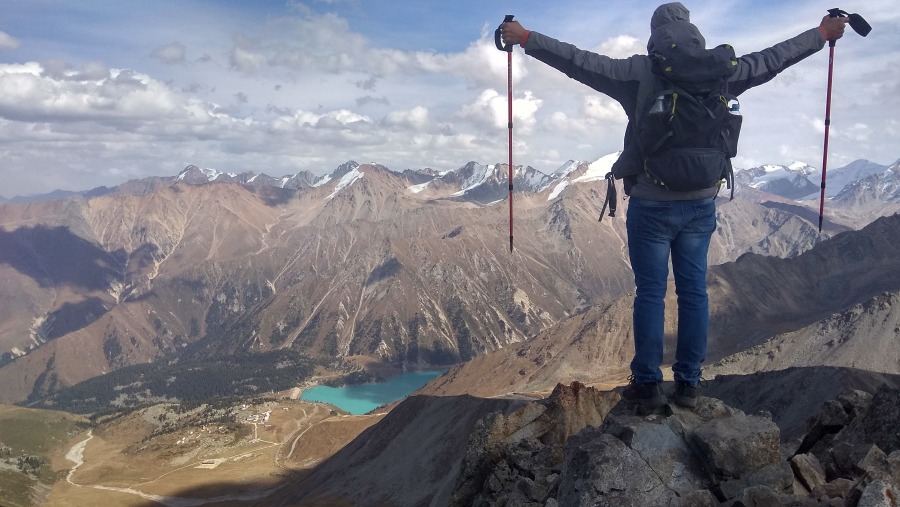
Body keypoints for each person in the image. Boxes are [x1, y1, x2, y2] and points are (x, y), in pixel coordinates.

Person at [501, 4, 847, 409]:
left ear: (655, 36)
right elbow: (775, 57)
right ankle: (689, 383)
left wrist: (525, 39)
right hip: (701, 203)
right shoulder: (723, 70)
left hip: (651, 203)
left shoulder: (639, 73)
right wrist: (822, 33)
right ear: (694, 33)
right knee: (693, 293)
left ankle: (647, 383)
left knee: (649, 293)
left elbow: (578, 60)